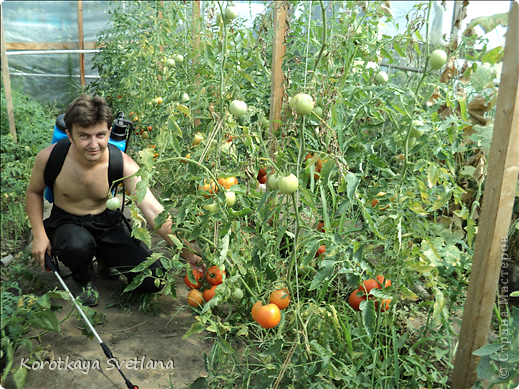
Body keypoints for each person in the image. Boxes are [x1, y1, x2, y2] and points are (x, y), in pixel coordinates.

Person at [26, 94, 202, 306]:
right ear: (70, 135)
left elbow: (154, 211)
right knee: (77, 245)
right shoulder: (50, 158)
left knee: (153, 279)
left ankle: (105, 258)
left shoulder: (123, 164)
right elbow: (34, 192)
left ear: (109, 132)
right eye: (84, 136)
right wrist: (39, 234)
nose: (93, 144)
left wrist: (188, 252)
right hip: (67, 222)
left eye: (100, 135)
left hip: (106, 223)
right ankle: (83, 278)